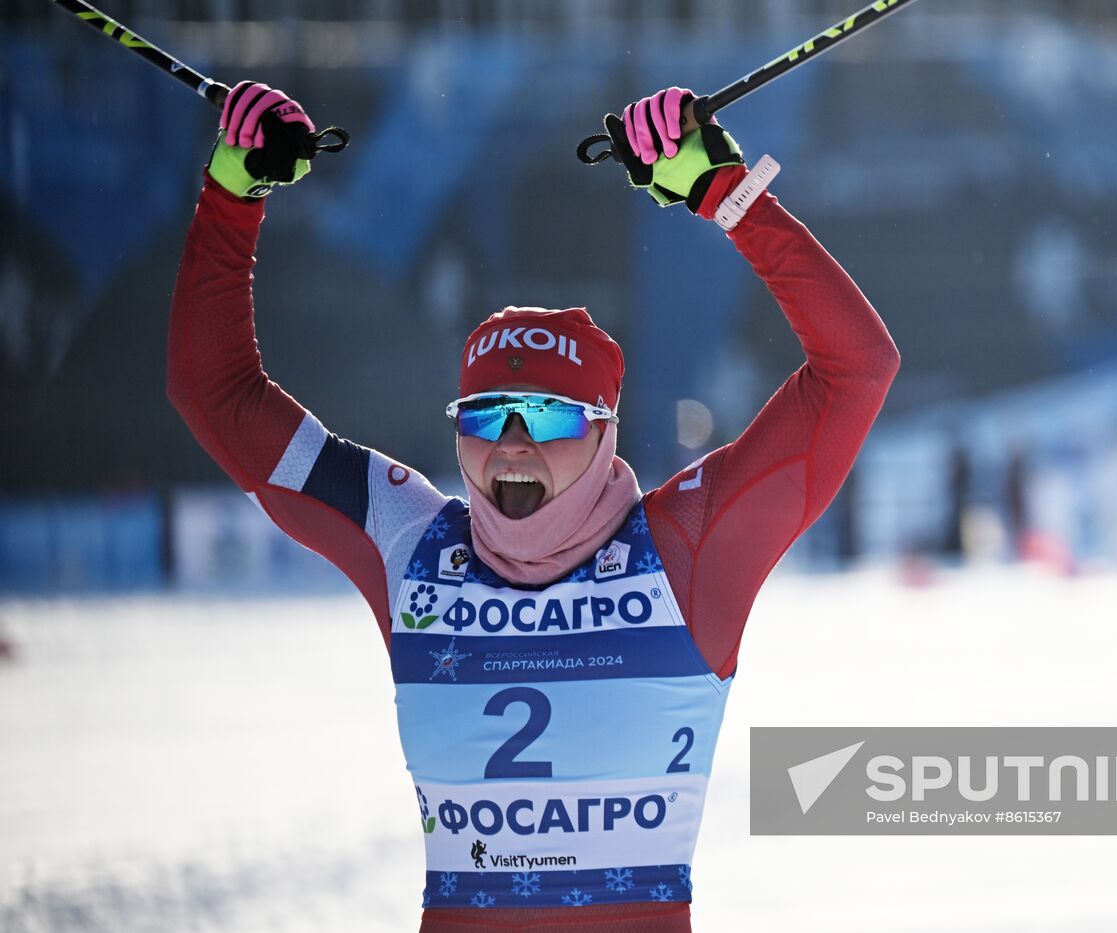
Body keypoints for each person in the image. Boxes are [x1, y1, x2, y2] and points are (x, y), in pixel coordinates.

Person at [167, 80, 899, 932]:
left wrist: (727, 195)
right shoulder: (408, 542)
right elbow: (213, 393)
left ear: (603, 434)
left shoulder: (687, 548)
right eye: (485, 415)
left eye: (546, 415)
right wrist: (231, 195)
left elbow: (858, 368)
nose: (511, 442)